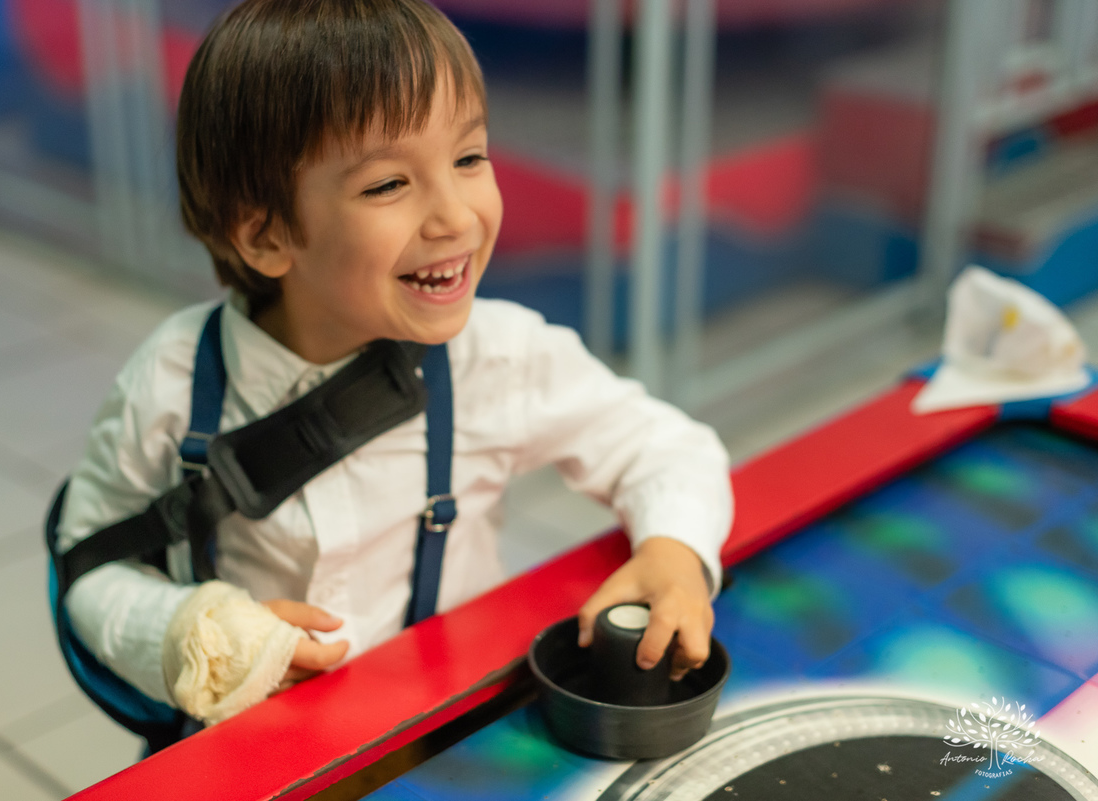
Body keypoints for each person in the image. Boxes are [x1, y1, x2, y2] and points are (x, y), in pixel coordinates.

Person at [57, 0, 732, 730]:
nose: (455, 217)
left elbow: (665, 445)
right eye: (387, 184)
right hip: (262, 759)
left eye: (468, 158)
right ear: (265, 234)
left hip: (447, 745)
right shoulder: (169, 383)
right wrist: (187, 632)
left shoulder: (497, 357)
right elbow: (88, 561)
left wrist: (676, 550)